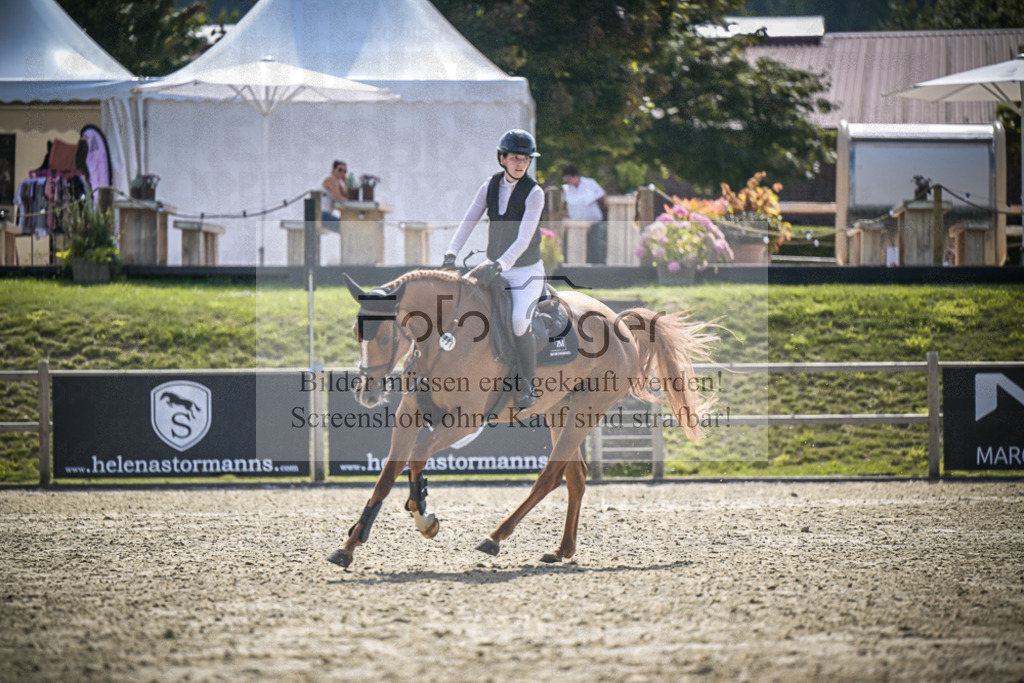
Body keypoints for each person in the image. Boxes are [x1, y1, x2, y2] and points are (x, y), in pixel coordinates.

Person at [442, 129, 545, 410]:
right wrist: (451, 253)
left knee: (519, 321)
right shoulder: (489, 186)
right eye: (515, 158)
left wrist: (500, 265)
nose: (520, 164)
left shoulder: (535, 193)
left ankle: (528, 383)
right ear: (502, 158)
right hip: (494, 265)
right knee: (458, 302)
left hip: (525, 270)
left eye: (525, 159)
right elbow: (469, 221)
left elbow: (524, 239)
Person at [561, 165, 607, 263]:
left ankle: (596, 267)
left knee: (594, 245)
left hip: (592, 220)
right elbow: (564, 205)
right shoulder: (566, 188)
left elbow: (602, 193)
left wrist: (592, 199)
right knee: (577, 248)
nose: (568, 181)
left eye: (569, 178)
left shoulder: (590, 183)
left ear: (575, 176)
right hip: (576, 223)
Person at [320, 160, 348, 226]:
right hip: (322, 215)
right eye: (340, 170)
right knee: (346, 227)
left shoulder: (337, 183)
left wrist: (346, 182)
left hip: (323, 215)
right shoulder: (332, 179)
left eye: (345, 171)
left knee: (347, 226)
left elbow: (347, 195)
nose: (342, 172)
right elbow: (337, 197)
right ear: (333, 170)